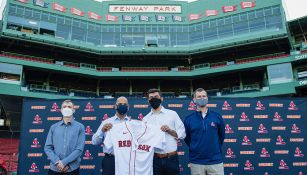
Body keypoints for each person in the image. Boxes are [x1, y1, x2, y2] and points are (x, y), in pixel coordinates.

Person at [143, 88, 186, 175]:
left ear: (161, 98)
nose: (153, 99)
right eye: (151, 97)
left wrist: (170, 130)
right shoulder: (145, 119)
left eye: (156, 96)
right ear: (148, 101)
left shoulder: (172, 114)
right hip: (154, 159)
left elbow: (182, 134)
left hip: (171, 158)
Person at [184, 88, 225, 175]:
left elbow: (221, 136)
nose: (202, 98)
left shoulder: (217, 116)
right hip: (196, 162)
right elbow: (187, 139)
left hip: (215, 161)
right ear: (194, 100)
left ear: (207, 98)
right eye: (199, 97)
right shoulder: (189, 119)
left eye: (204, 96)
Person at [44, 100, 85, 175]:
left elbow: (79, 149)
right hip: (55, 169)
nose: (67, 108)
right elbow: (48, 148)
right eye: (64, 107)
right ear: (61, 110)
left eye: (69, 107)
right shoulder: (53, 127)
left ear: (73, 110)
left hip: (72, 169)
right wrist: (57, 162)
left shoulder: (80, 127)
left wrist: (64, 162)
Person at [92, 96, 130, 175]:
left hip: (127, 160)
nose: (122, 105)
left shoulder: (132, 123)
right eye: (120, 104)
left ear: (128, 107)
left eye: (124, 104)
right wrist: (102, 131)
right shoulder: (106, 122)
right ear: (115, 106)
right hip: (110, 160)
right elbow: (94, 141)